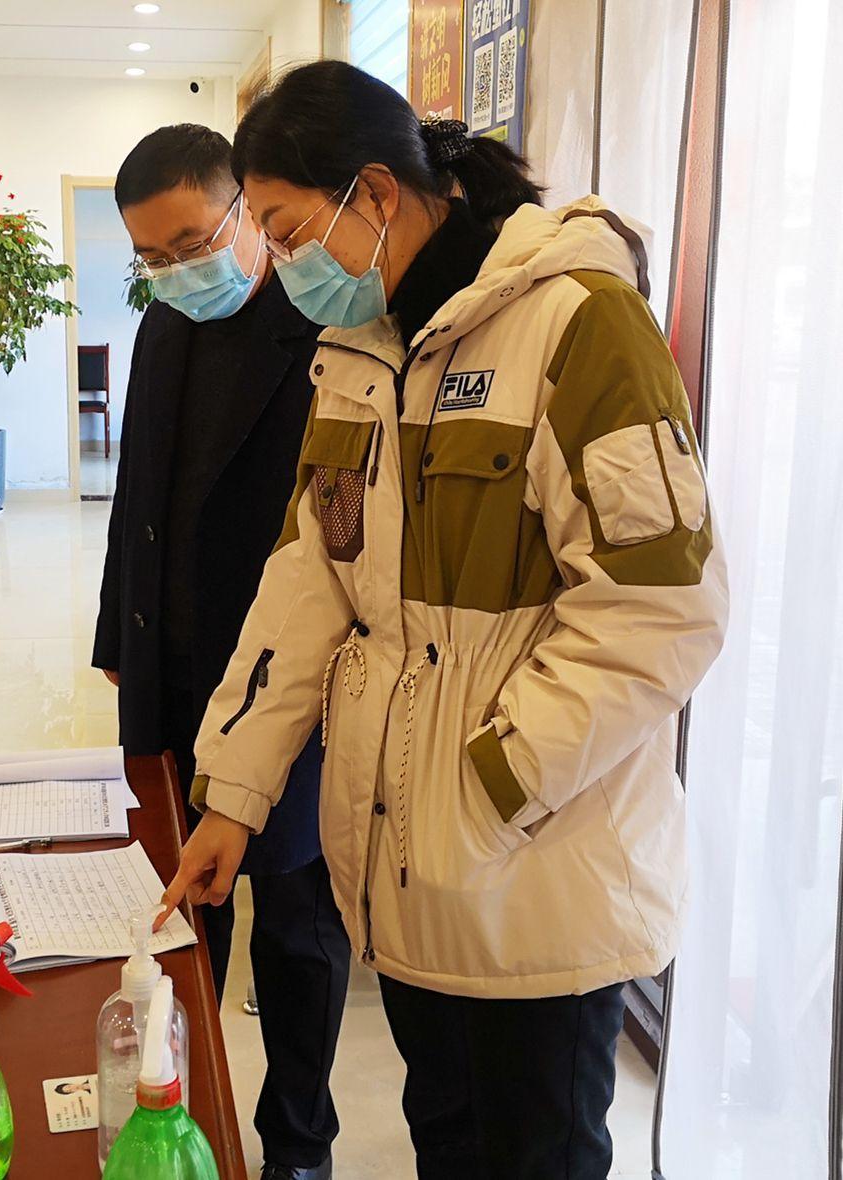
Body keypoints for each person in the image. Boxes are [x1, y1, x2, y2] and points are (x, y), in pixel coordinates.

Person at [161, 62, 728, 1179]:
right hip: (410, 875)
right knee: (448, 1144)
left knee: (534, 1155)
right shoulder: (359, 350)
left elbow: (663, 606)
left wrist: (491, 786)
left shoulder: (577, 321)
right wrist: (234, 791)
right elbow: (309, 581)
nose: (283, 265)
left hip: (538, 880)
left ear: (376, 193)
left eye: (287, 231)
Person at [94, 124, 349, 1180]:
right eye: (152, 256)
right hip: (174, 668)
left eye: (193, 243)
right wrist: (117, 635)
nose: (176, 270)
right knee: (184, 913)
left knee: (296, 924)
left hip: (285, 682)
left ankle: (298, 1141)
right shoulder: (166, 320)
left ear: (245, 208)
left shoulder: (327, 324)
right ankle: (185, 1117)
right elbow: (136, 493)